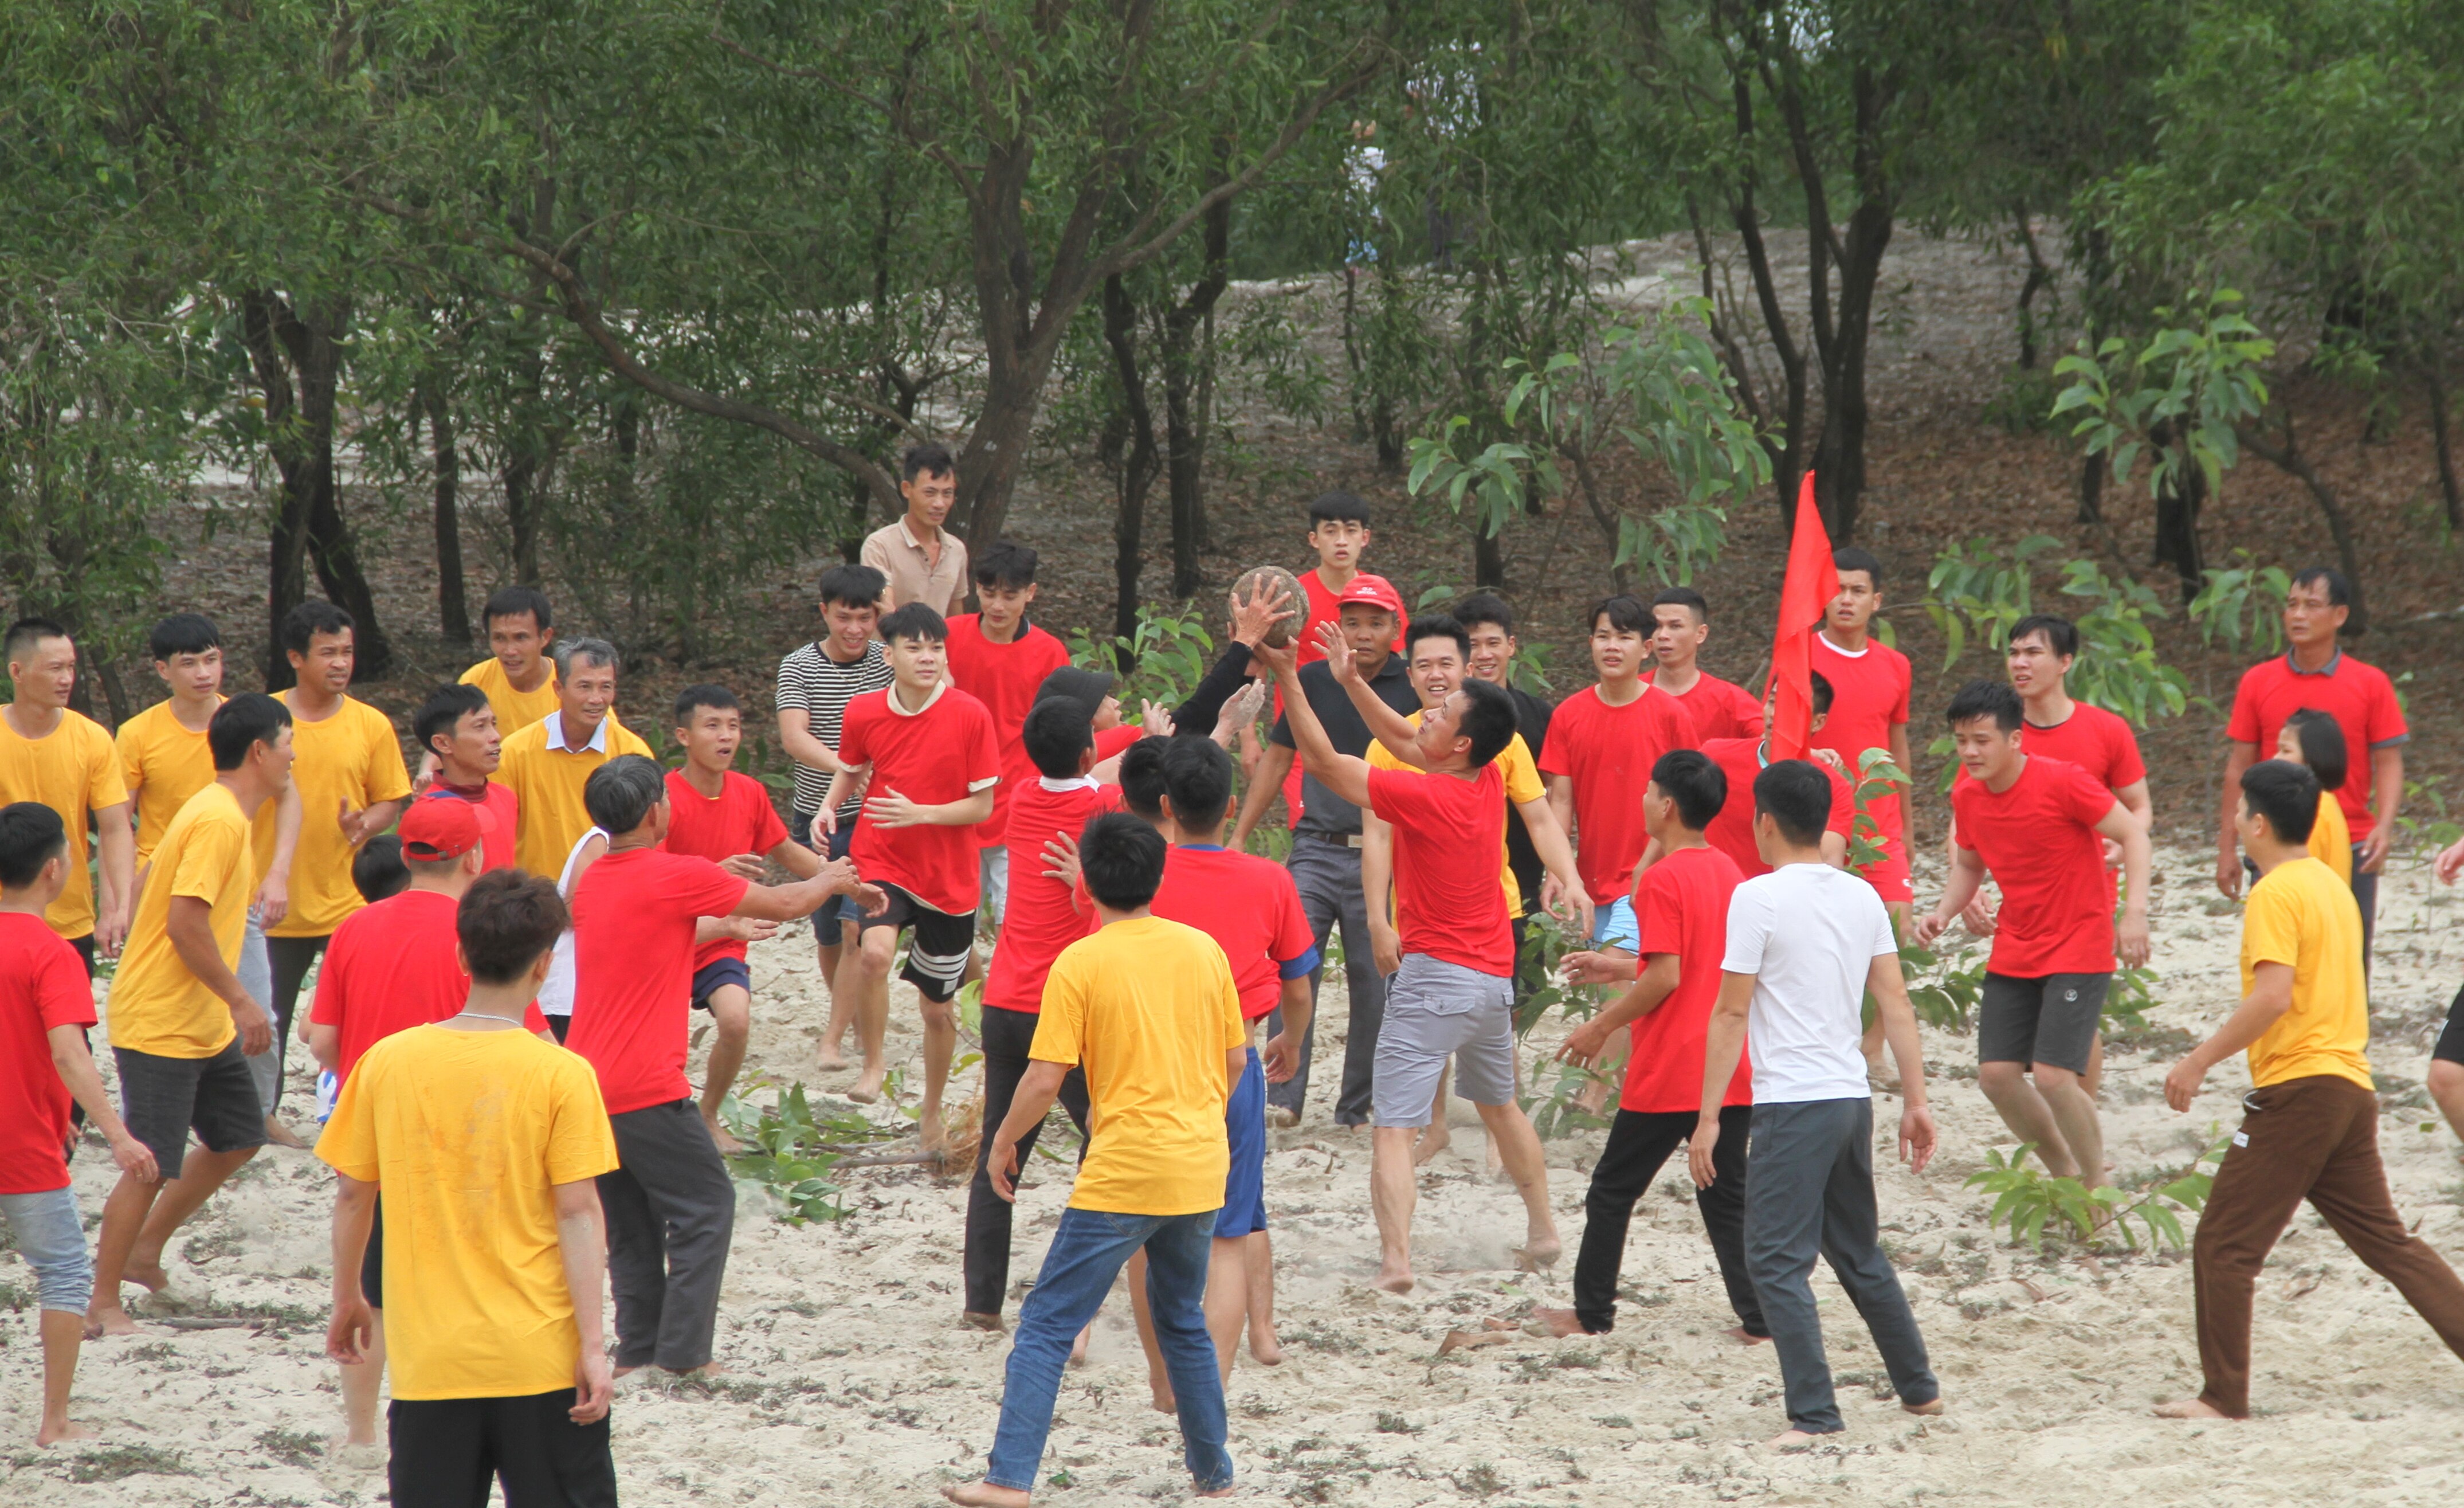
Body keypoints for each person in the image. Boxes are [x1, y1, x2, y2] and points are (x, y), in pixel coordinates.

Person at [944, 814, 1247, 1508]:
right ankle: (1214, 1477)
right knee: (1180, 1320)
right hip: (1199, 1167)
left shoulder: (1080, 961)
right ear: (1158, 877)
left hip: (1123, 1172)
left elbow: (1044, 1079)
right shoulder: (1203, 950)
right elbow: (1235, 1060)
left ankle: (1008, 1480)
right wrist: (1196, 1117)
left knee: (1047, 1322)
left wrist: (1003, 1140)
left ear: (1086, 879)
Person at [1262, 622, 1568, 1293]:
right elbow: (1406, 740)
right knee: (1501, 1107)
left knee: (1392, 1130)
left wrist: (1290, 678)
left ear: (1459, 742)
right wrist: (1348, 682)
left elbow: (1324, 765)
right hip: (1491, 982)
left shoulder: (1429, 796)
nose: (1430, 709)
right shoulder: (1482, 775)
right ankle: (1544, 1229)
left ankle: (1396, 1264)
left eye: (1444, 712)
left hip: (1433, 980)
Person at [2155, 759, 2464, 1422]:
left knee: (2223, 1243)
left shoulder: (2273, 893)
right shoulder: (2331, 884)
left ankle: (2222, 1395)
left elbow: (2273, 997)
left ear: (2258, 824)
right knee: (2390, 1244)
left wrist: (2197, 1061)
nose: (2234, 821)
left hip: (2300, 1090)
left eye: (2239, 812)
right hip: (2351, 1088)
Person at [319, 869, 622, 1507]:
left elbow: (353, 1195)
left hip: (431, 1365)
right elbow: (578, 1214)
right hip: (541, 1358)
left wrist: (348, 1295)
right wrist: (594, 1346)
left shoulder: (385, 1063)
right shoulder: (563, 1075)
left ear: (461, 955)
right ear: (544, 967)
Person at [568, 755, 877, 1378]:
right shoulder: (675, 872)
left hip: (584, 1082)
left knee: (630, 1220)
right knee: (706, 1206)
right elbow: (789, 900)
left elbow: (651, 929)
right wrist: (835, 878)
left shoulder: (595, 879)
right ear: (657, 812)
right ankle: (683, 1356)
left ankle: (640, 1349)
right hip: (645, 1084)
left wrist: (720, 927)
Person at [1691, 760, 1941, 1447]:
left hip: (1793, 1105)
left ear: (1763, 822)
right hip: (1848, 1099)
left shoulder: (1757, 897)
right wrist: (1914, 1100)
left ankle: (1815, 1414)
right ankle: (1918, 1388)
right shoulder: (1861, 896)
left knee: (1774, 1260)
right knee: (1856, 1251)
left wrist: (1708, 1118)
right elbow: (1894, 1001)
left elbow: (1730, 1013)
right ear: (1825, 821)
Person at [303, 798, 546, 1448]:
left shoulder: (355, 928)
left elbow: (321, 1040)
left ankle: (359, 1436)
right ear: (473, 858)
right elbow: (535, 1043)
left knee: (371, 1292)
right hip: (469, 1135)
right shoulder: (480, 938)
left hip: (378, 1134)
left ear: (406, 853)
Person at [1534, 751, 1764, 1345]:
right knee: (1723, 1194)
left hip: (1671, 1068)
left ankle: (1592, 1314)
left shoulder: (1661, 877)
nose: (1641, 800)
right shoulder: (1729, 872)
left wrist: (1599, 1027)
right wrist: (1614, 965)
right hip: (1724, 1061)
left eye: (1646, 792)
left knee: (1611, 1191)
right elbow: (1690, 959)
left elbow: (1667, 977)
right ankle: (1761, 1319)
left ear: (1666, 807)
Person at [1118, 738, 1318, 1396]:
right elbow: (1297, 983)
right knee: (1229, 1234)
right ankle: (1210, 1388)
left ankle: (1161, 1379)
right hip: (1235, 1062)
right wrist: (1291, 1037)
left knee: (1146, 1235)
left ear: (1166, 805)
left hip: (1149, 1068)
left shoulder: (1141, 876)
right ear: (1233, 803)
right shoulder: (1270, 879)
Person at [88, 694, 293, 1337]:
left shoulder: (216, 811)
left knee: (238, 1136)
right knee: (150, 1162)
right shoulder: (219, 820)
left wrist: (126, 910)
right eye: (288, 743)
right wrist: (242, 999)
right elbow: (185, 923)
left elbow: (156, 875)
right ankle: (100, 1302)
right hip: (161, 1021)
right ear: (259, 752)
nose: (294, 755)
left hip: (200, 1020)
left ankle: (145, 1252)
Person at [1912, 681, 2152, 1189]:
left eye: (1982, 739)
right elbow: (1970, 866)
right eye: (1961, 741)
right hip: (2016, 945)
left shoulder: (2065, 781)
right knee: (1996, 1076)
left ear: (2016, 740)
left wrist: (2134, 914)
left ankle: (2096, 1185)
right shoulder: (1968, 794)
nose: (1971, 752)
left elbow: (2133, 833)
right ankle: (2063, 1171)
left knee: (2053, 1075)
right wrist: (1942, 912)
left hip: (2079, 942)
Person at [1360, 614, 1586, 1151]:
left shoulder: (1494, 740)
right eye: (1423, 664)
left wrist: (1568, 874)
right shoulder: (1394, 741)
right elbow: (1378, 839)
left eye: (1446, 663)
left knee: (1491, 1033)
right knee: (1421, 1033)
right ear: (1408, 673)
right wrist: (1376, 917)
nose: (1435, 674)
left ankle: (1495, 1137)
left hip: (1495, 909)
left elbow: (1537, 817)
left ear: (1466, 668)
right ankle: (1433, 1127)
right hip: (1420, 916)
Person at [0, 803, 158, 1444]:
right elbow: (68, 1051)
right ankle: (55, 1421)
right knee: (63, 1272)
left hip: (33, 1127)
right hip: (22, 1143)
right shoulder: (51, 952)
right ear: (55, 870)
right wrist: (116, 1134)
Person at [1945, 613, 2153, 1095]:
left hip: (2087, 894)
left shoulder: (2106, 729)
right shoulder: (1990, 730)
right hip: (2019, 903)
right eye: (2013, 652)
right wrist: (1963, 891)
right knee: (2029, 1035)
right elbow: (1965, 817)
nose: (2020, 663)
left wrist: (2124, 844)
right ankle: (2068, 1136)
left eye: (2033, 652)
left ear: (2065, 662)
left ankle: (2084, 1118)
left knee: (2072, 1025)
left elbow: (2139, 808)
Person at [961, 699, 1114, 1330]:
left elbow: (1097, 765)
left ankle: (981, 1305)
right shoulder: (1101, 810)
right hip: (1065, 1003)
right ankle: (1078, 1282)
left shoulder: (1022, 796)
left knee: (1000, 1150)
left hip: (1003, 1000)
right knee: (1103, 1140)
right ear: (1088, 752)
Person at [822, 605, 999, 1142]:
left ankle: (931, 1111)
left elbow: (983, 806)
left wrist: (923, 813)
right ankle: (873, 1064)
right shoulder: (863, 711)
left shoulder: (971, 714)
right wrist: (831, 805)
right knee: (871, 952)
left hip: (949, 877)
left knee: (936, 1008)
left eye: (936, 648)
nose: (927, 657)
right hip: (883, 856)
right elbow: (853, 768)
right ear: (888, 653)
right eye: (914, 647)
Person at [254, 601, 411, 1142]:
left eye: (347, 651)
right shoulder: (264, 718)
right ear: (296, 657)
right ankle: (262, 1115)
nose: (341, 663)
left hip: (349, 898)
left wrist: (364, 824)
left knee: (364, 1007)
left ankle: (360, 1104)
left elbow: (391, 798)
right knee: (267, 1017)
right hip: (273, 900)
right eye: (328, 653)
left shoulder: (370, 723)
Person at [664, 684, 825, 1150]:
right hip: (670, 938)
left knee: (735, 1021)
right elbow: (646, 876)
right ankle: (669, 1128)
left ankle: (710, 1114)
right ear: (683, 736)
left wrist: (842, 877)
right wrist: (709, 874)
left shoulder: (750, 793)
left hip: (726, 937)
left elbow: (788, 853)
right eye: (712, 725)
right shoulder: (662, 797)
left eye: (733, 726)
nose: (726, 736)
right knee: (665, 1049)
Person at [2215, 567, 2404, 963]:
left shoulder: (2371, 683)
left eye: (2311, 605)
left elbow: (2388, 762)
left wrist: (2384, 827)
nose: (2298, 615)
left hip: (2352, 841)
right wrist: (2227, 848)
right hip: (2275, 837)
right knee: (2275, 954)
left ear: (2340, 615)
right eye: (2292, 605)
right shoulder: (2257, 681)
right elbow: (2239, 766)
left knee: (2347, 955)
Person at [776, 563, 897, 1082]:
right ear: (824, 611)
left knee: (853, 929)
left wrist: (893, 621)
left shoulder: (889, 660)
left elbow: (941, 681)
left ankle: (832, 1038)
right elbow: (794, 738)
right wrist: (849, 768)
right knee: (827, 935)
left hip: (875, 821)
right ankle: (842, 1015)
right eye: (844, 617)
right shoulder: (798, 666)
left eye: (866, 618)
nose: (855, 629)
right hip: (817, 816)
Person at [1539, 595, 1696, 952]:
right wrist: (1557, 871)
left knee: (1615, 974)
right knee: (1609, 990)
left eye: (1625, 637)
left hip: (1652, 874)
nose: (1612, 647)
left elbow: (1686, 805)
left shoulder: (1671, 716)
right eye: (1603, 636)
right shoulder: (1567, 715)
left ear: (1646, 648)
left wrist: (1644, 868)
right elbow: (1561, 801)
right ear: (1590, 643)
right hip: (1593, 881)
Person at [943, 541, 1072, 931]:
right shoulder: (947, 638)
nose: (997, 606)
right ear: (976, 589)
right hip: (954, 805)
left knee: (1013, 924)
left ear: (1030, 594)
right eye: (988, 593)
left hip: (1018, 806)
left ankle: (1004, 994)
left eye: (1010, 595)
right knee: (950, 925)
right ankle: (965, 991)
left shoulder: (1050, 653)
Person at [0, 618, 133, 973]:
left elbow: (115, 828)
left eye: (72, 667)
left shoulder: (92, 738)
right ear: (18, 671)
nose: (67, 679)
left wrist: (117, 907)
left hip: (71, 919)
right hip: (4, 917)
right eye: (55, 668)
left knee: (70, 1027)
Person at [1808, 549, 1915, 922]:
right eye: (1838, 589)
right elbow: (1773, 733)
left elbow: (1897, 749)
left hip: (1880, 828)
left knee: (1897, 943)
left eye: (1858, 590)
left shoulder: (1896, 665)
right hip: (1815, 824)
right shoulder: (1797, 656)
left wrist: (1907, 830)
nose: (1846, 599)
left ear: (1876, 601)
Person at [496, 637, 653, 878]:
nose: (596, 699)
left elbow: (648, 835)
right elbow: (499, 833)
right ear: (558, 689)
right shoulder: (517, 752)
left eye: (606, 687)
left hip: (609, 891)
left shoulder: (632, 753)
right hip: (536, 897)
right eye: (585, 687)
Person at [409, 683, 520, 871]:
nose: (496, 736)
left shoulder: (506, 797)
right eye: (480, 727)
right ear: (443, 743)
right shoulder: (430, 814)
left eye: (493, 724)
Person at [862, 442, 970, 616]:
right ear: (907, 489)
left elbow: (956, 619)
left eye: (947, 493)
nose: (939, 504)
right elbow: (884, 603)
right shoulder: (879, 546)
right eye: (930, 493)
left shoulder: (956, 550)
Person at [1643, 587, 1764, 741]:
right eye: (1657, 626)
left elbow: (1773, 747)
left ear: (1701, 634)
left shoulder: (1731, 701)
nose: (1663, 635)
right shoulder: (1627, 692)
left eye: (1675, 626)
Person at [457, 585, 562, 738]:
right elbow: (446, 744)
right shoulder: (475, 682)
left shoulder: (569, 685)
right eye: (500, 638)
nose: (510, 651)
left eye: (521, 638)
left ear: (545, 637)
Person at [2274, 708, 2351, 879]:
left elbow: (2298, 877)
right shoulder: (2324, 802)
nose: (2275, 758)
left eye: (2286, 751)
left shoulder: (2312, 810)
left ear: (2313, 758)